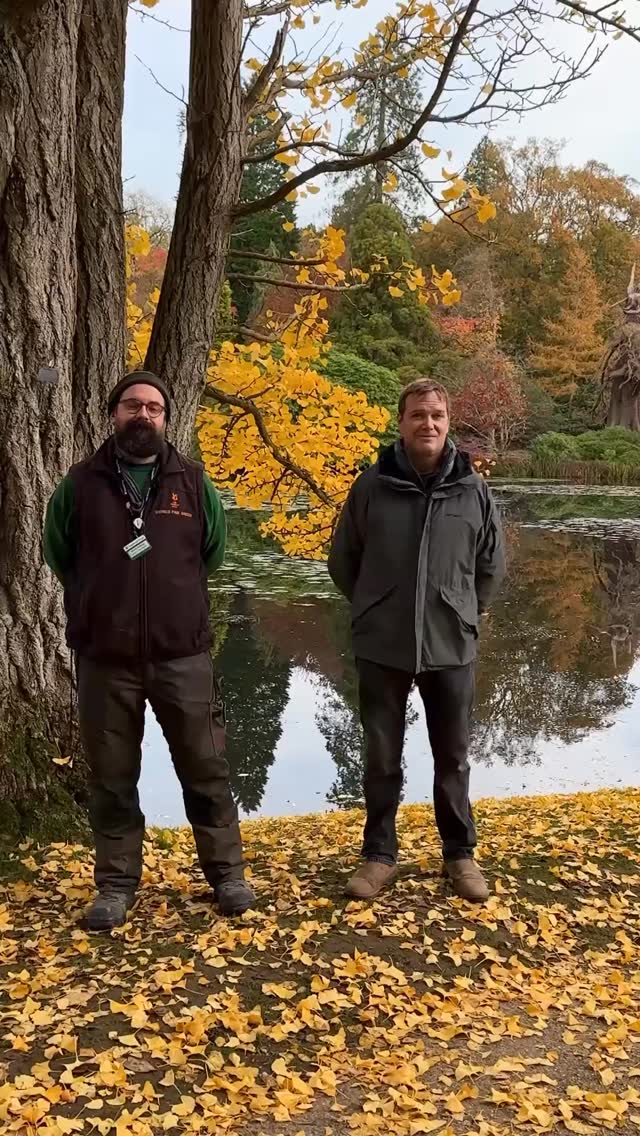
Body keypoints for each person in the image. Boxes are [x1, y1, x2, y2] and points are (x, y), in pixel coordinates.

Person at [44, 371, 255, 930]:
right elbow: (58, 552)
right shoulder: (80, 484)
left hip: (182, 655)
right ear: (114, 413)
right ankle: (115, 885)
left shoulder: (194, 482)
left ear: (166, 417)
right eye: (132, 405)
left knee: (206, 766)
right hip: (104, 659)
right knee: (112, 776)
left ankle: (227, 875)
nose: (143, 415)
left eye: (154, 407)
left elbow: (211, 553)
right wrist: (100, 599)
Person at [328, 378, 505, 903]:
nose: (428, 423)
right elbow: (343, 560)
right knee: (381, 756)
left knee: (453, 756)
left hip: (451, 644)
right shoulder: (371, 486)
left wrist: (465, 612)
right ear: (401, 423)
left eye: (437, 415)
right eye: (418, 415)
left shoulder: (472, 489)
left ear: (448, 423)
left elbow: (491, 563)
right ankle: (379, 855)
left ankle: (459, 854)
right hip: (382, 644)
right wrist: (375, 606)